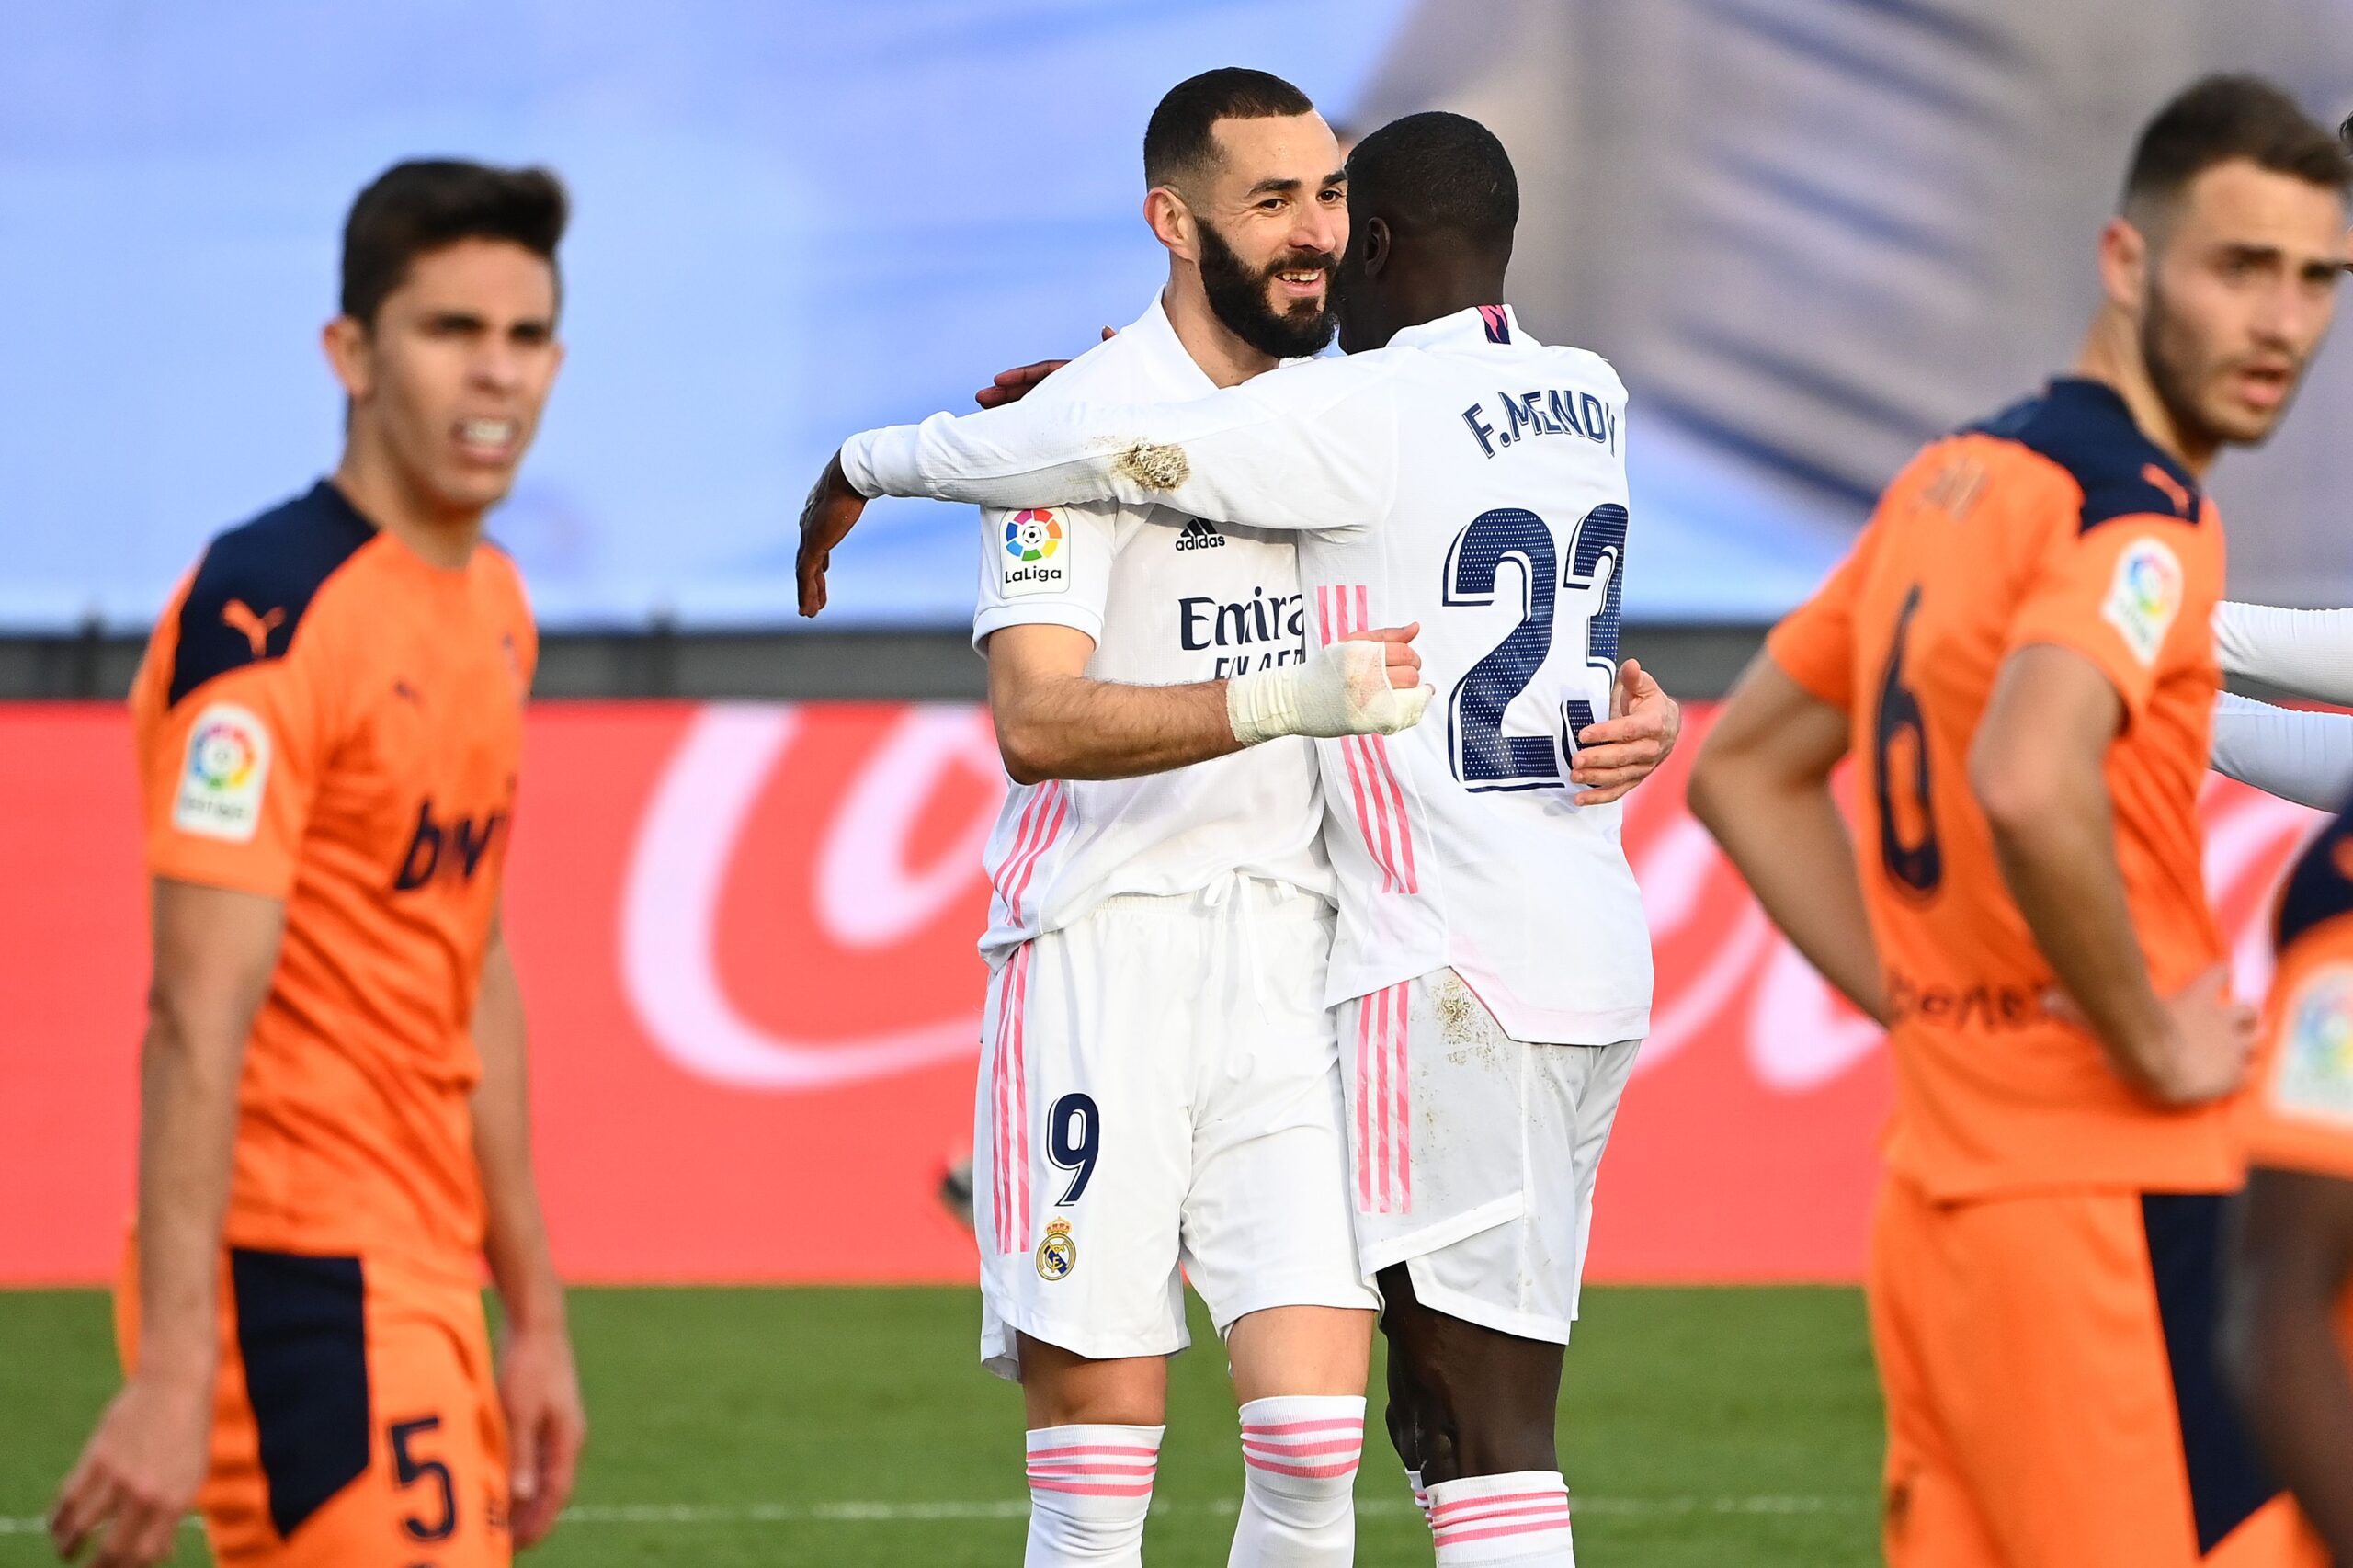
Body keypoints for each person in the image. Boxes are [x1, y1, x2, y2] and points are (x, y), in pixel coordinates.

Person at [802, 108, 1679, 1568]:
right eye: (1273, 200)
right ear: (1175, 221)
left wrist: (1626, 714)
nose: (1314, 232)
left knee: (1323, 1440)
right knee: (1101, 1461)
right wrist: (1290, 692)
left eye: (1332, 197)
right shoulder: (1071, 424)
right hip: (1109, 947)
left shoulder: (1331, 413)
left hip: (1304, 954)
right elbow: (1037, 722)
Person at [1684, 75, 2347, 1566]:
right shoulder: (2144, 515)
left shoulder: (1954, 477)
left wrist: (1927, 1010)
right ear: (2127, 262)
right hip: (2109, 1202)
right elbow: (2031, 774)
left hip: (1937, 1202)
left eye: (2318, 280)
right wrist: (2150, 1030)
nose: (2285, 323)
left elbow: (1746, 769)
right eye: (2243, 267)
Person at [49, 160, 584, 1568]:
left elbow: (468, 954)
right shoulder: (265, 621)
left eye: (526, 336)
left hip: (424, 1274)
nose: (497, 374)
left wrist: (532, 1314)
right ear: (351, 352)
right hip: (297, 1275)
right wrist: (176, 1369)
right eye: (450, 328)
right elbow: (191, 1018)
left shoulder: (496, 604)